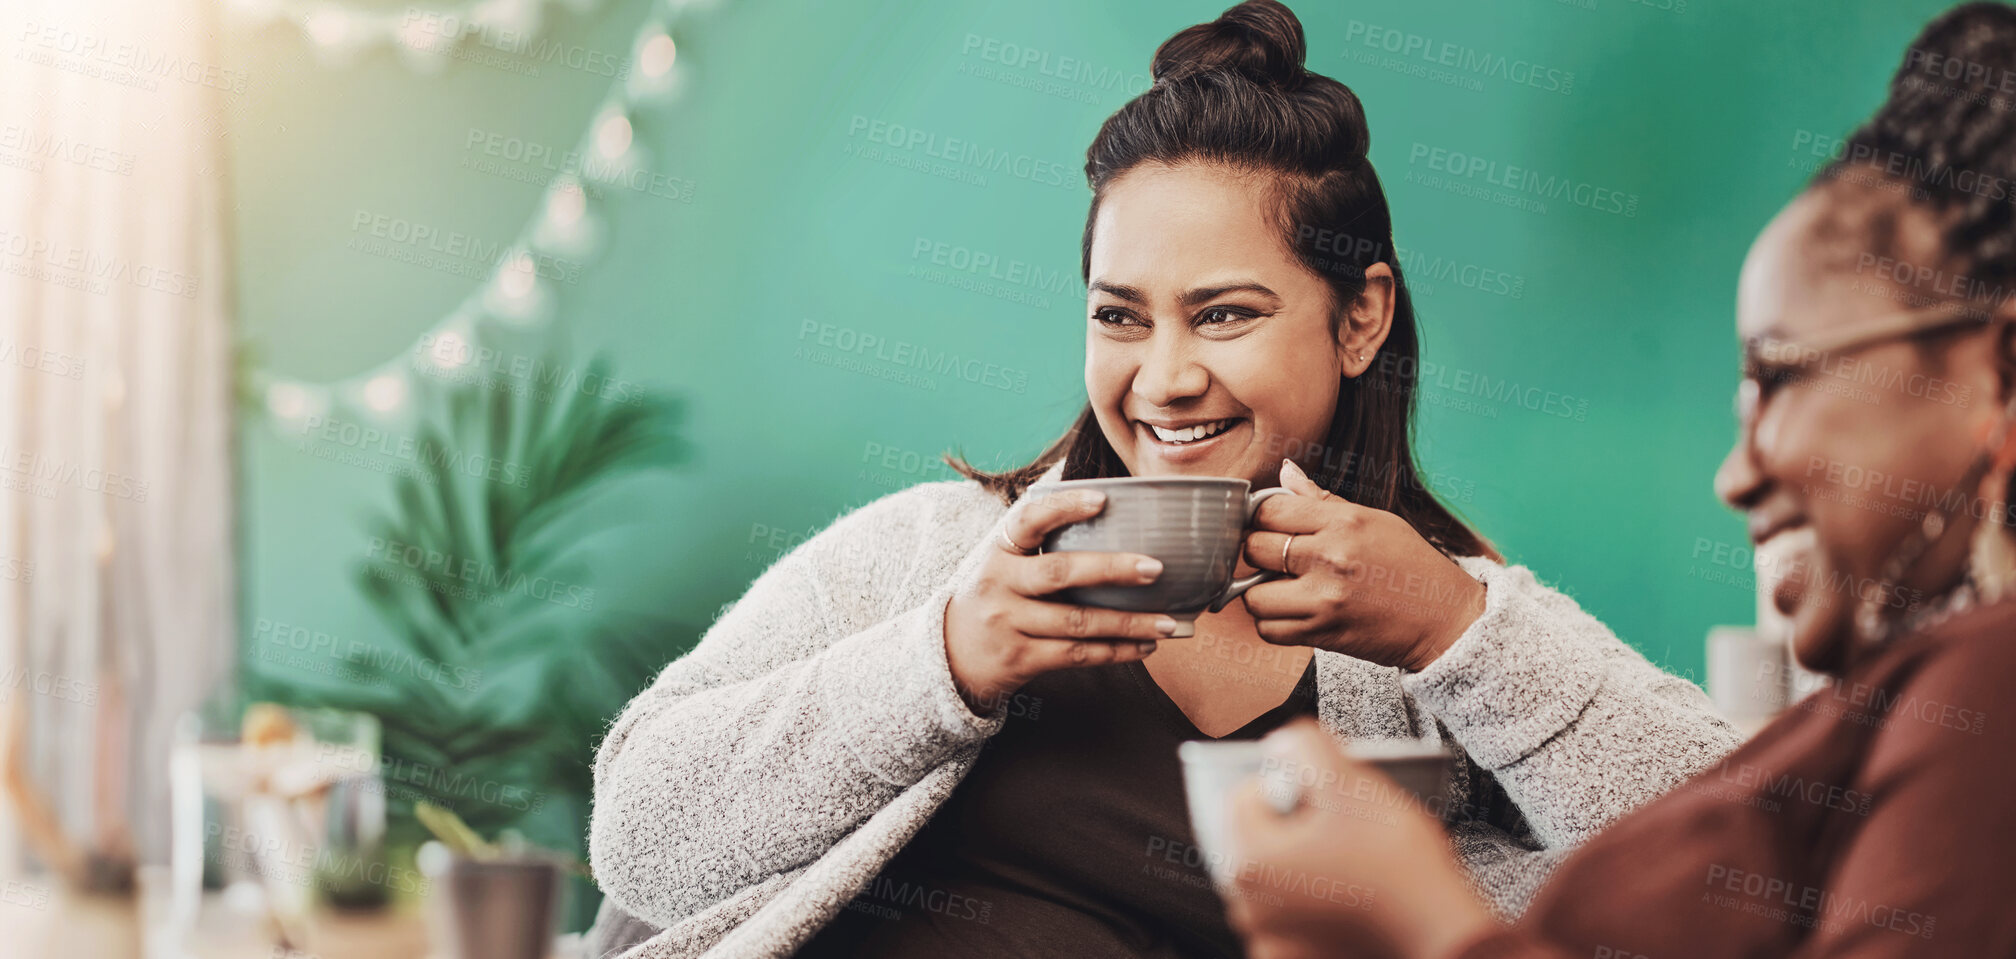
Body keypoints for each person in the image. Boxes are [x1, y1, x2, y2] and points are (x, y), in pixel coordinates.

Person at [583, 3, 1738, 957]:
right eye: (1118, 317)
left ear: (1359, 318)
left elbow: (1747, 872)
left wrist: (1454, 624)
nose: (1164, 378)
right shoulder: (931, 556)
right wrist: (940, 658)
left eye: (1225, 314)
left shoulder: (1439, 633)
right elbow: (639, 839)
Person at [1214, 4, 2016, 957]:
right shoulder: (1924, 697)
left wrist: (1421, 921)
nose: (1735, 474)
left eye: (1779, 377)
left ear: (2009, 370)